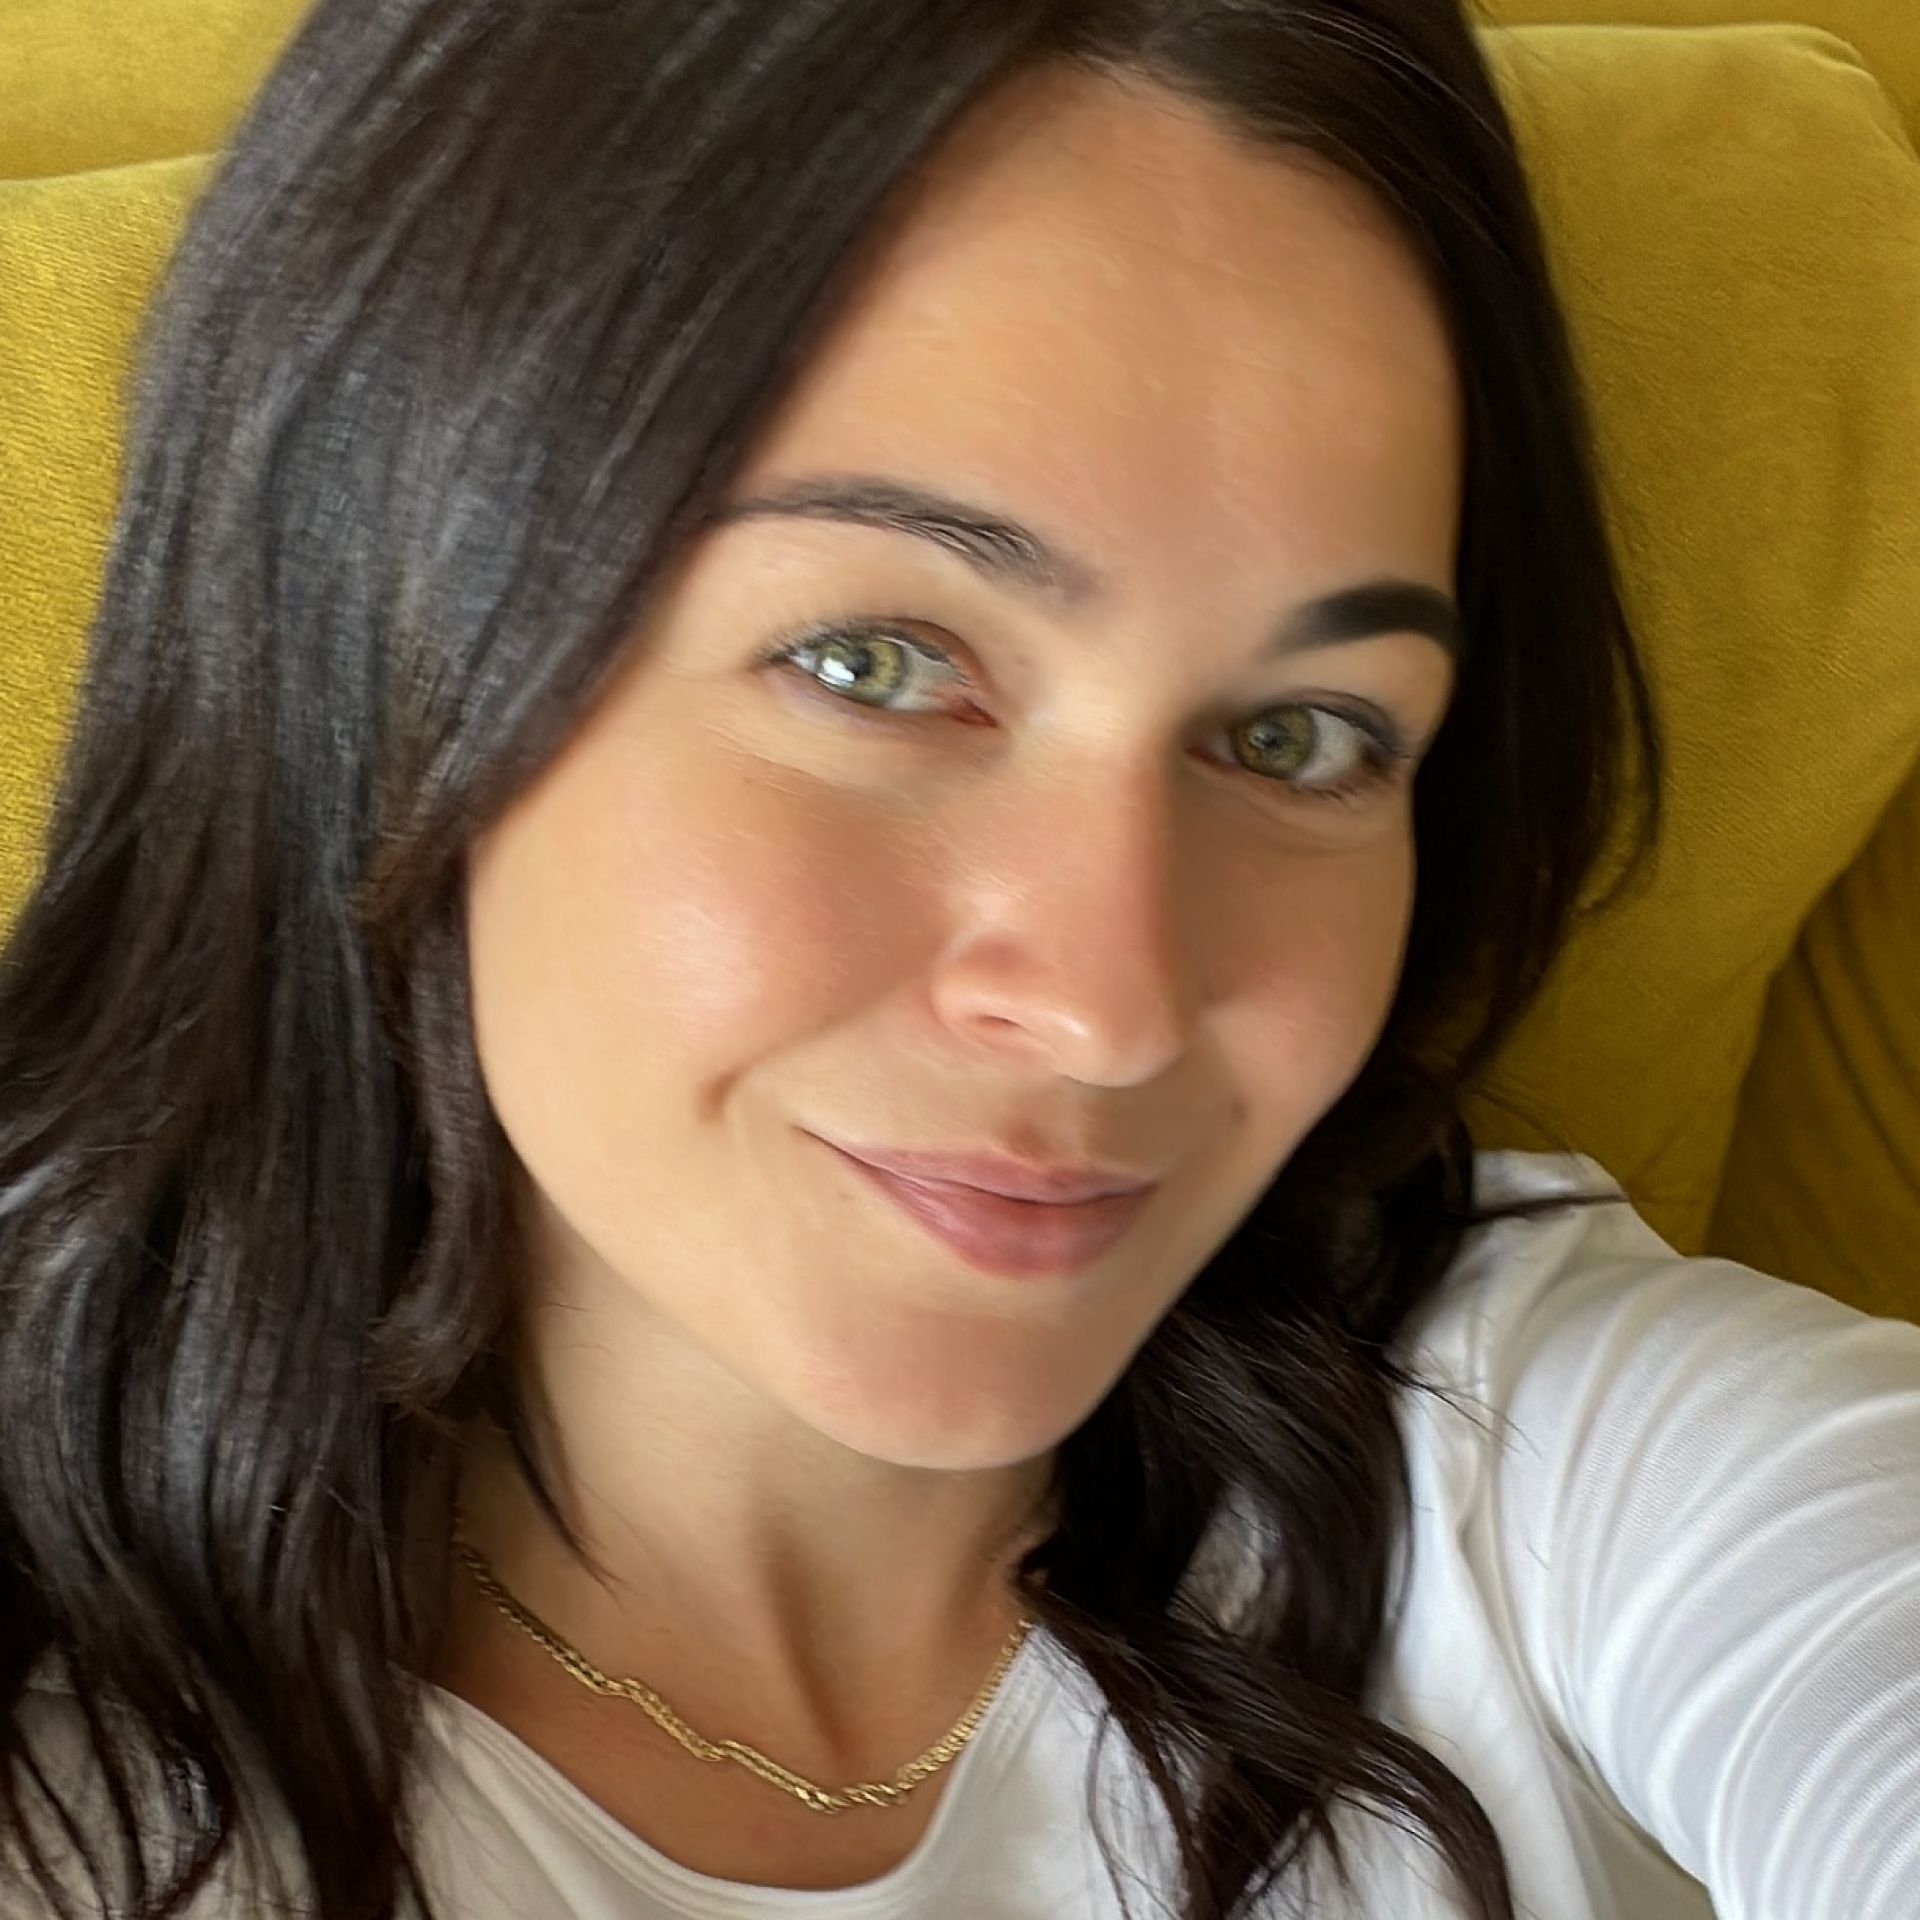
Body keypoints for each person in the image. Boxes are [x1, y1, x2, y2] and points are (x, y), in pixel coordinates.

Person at [0, 0, 1914, 1915]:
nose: (1110, 1009)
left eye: (1298, 737)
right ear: (370, 643)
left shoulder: (1542, 1449)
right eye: (876, 664)